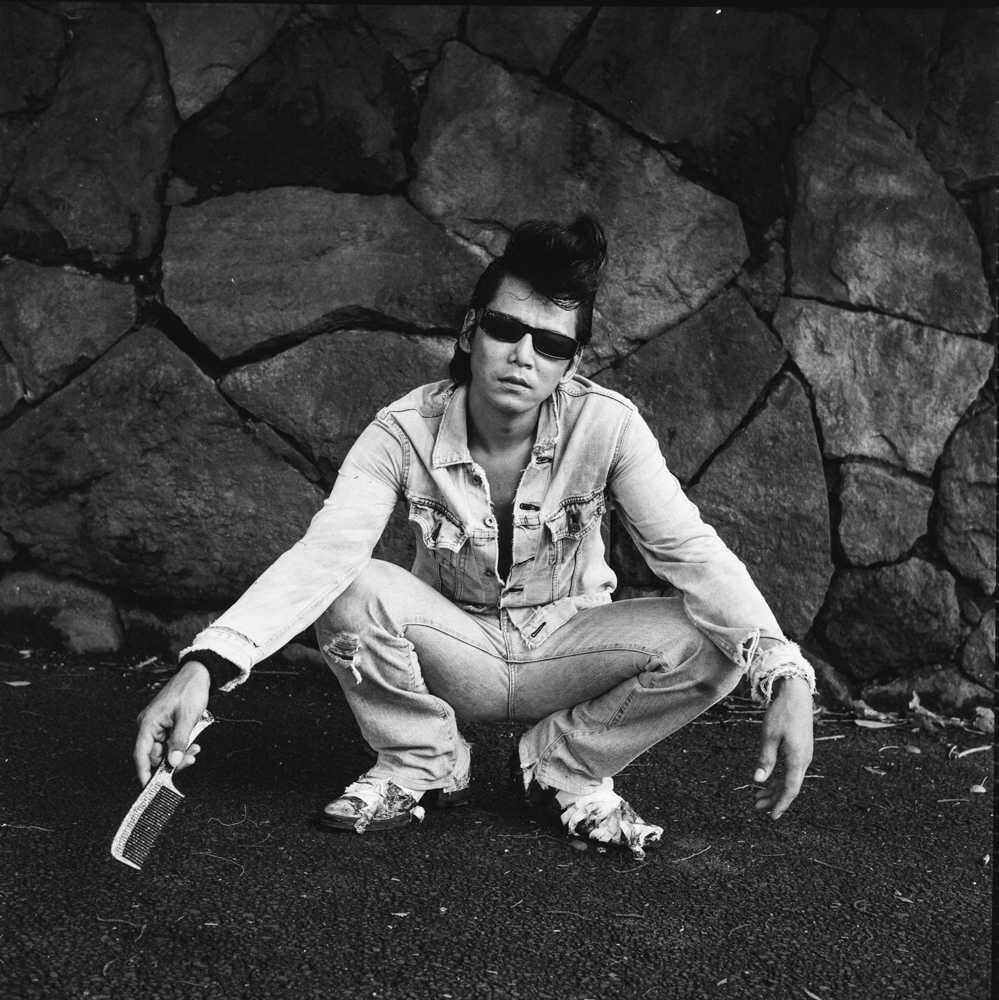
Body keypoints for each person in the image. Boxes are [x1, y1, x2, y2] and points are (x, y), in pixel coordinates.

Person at [134, 215, 815, 858]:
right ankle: (422, 761)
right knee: (349, 587)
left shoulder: (608, 427)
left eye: (550, 344)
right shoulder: (401, 431)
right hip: (454, 647)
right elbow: (325, 553)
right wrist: (206, 665)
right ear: (469, 332)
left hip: (567, 648)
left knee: (723, 637)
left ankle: (564, 771)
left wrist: (785, 673)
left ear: (571, 363)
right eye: (505, 329)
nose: (523, 356)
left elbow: (690, 550)